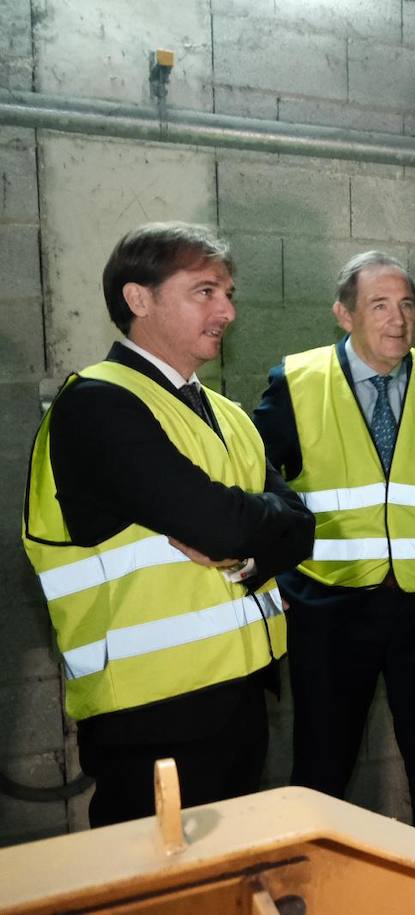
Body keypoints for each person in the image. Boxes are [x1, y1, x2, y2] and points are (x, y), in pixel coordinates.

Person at [21, 222, 315, 827]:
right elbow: (223, 523)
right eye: (205, 291)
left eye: (228, 293)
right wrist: (249, 528)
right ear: (139, 299)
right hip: (148, 714)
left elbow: (301, 525)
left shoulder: (228, 414)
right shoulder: (97, 404)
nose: (228, 310)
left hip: (237, 694)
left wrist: (249, 539)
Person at [252, 251, 415, 842]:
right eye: (379, 305)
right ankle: (311, 883)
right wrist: (270, 579)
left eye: (406, 304)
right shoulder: (295, 381)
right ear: (344, 315)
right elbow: (253, 487)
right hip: (330, 606)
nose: (397, 319)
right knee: (322, 762)